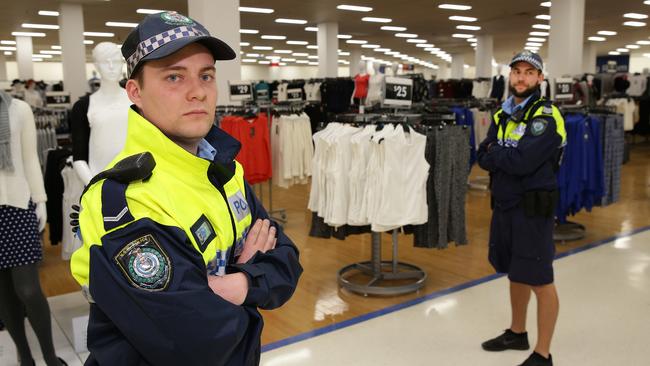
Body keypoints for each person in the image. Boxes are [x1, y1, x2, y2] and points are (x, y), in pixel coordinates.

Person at [70, 11, 302, 366]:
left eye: (205, 75)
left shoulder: (226, 172)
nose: (197, 92)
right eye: (174, 77)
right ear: (136, 92)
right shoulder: (123, 200)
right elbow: (199, 343)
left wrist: (237, 284)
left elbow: (287, 262)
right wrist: (254, 286)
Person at [477, 51, 566, 366]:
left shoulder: (546, 115)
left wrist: (498, 154)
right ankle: (517, 332)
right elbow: (481, 154)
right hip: (504, 205)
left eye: (530, 72)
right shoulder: (502, 114)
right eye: (517, 72)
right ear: (509, 76)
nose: (522, 78)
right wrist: (500, 155)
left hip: (532, 210)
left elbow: (522, 161)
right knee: (516, 273)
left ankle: (543, 353)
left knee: (540, 279)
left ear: (540, 78)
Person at [0, 91, 67, 366]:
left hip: (18, 203)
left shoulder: (18, 109)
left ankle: (50, 358)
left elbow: (30, 158)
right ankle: (25, 357)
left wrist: (40, 200)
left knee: (28, 289)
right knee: (3, 292)